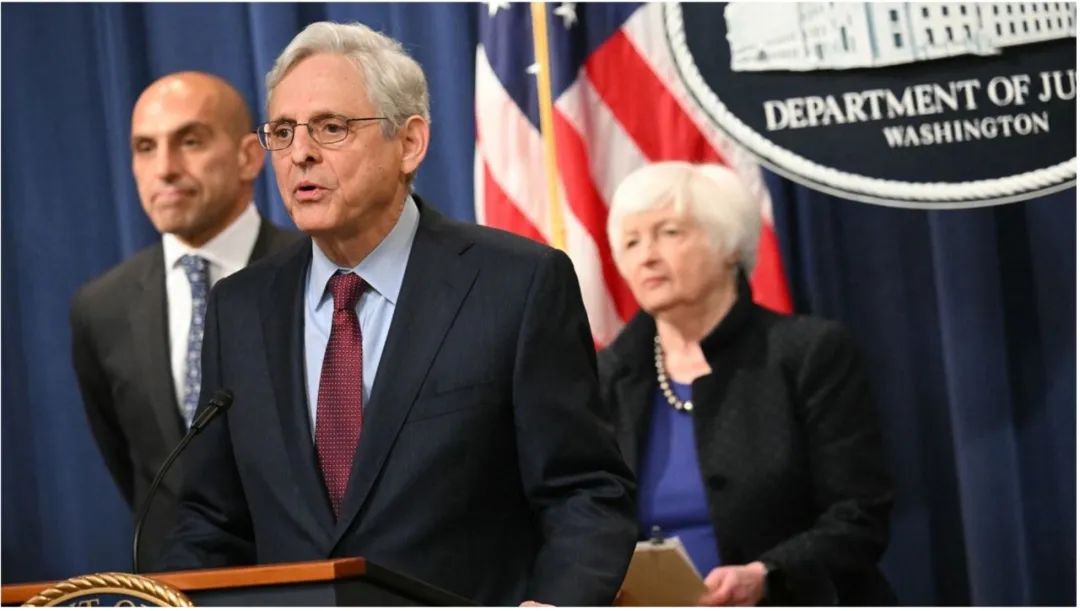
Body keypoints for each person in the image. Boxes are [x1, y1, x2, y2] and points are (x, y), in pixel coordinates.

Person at [159, 21, 637, 606]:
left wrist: (558, 602)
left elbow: (584, 490)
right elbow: (212, 521)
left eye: (330, 127)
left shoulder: (516, 284)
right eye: (282, 132)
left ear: (409, 142)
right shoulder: (239, 309)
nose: (300, 153)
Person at [599, 161, 895, 605]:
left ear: (729, 246)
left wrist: (766, 574)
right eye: (631, 242)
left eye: (669, 233)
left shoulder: (806, 353)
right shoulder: (609, 375)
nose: (647, 256)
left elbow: (860, 513)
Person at [69, 71, 299, 568]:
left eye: (190, 141)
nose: (165, 169)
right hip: (174, 586)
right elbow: (133, 465)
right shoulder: (100, 307)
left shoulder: (315, 271)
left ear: (249, 156)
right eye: (145, 147)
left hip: (305, 579)